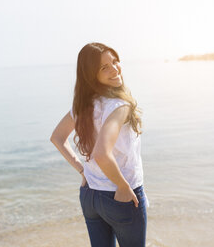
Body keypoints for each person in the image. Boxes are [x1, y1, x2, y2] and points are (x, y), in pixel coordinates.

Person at [50, 42, 149, 247]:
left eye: (115, 61)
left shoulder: (84, 105)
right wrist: (122, 186)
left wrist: (82, 171)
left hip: (90, 196)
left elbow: (57, 138)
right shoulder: (120, 106)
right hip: (117, 196)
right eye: (104, 67)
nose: (114, 69)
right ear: (91, 74)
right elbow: (102, 154)